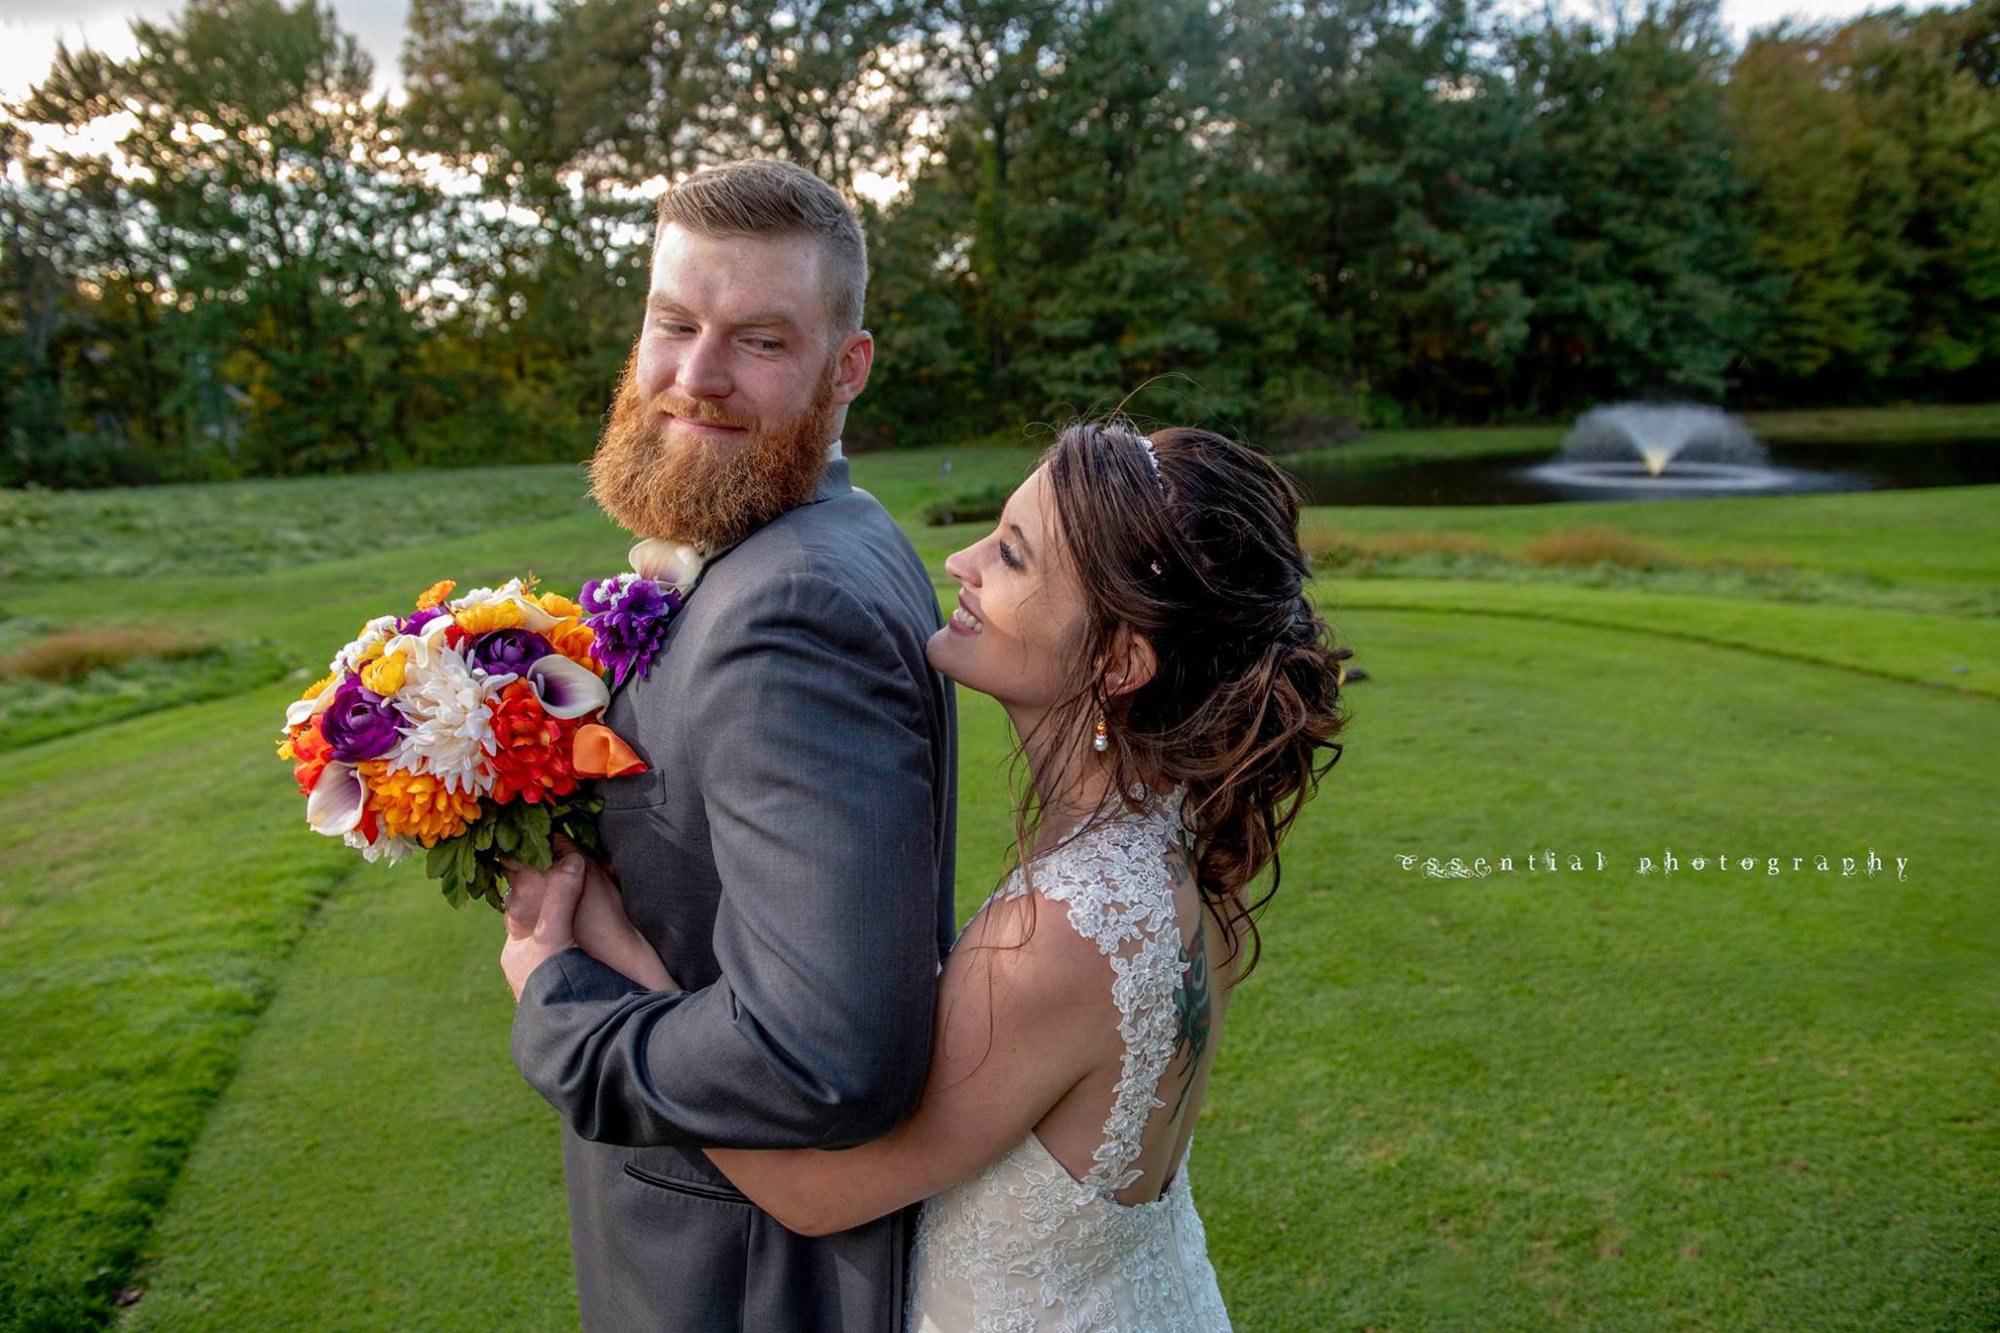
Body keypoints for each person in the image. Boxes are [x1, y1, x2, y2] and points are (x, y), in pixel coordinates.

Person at [511, 417, 1352, 1328]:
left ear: (1120, 661)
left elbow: (814, 1193)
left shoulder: (1060, 934)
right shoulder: (1183, 849)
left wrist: (599, 974)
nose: (961, 562)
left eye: (1013, 556)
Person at [498, 159, 958, 1332]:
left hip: (738, 1274)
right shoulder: (824, 530)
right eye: (673, 324)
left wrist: (559, 1001)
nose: (694, 378)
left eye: (759, 341)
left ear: (846, 367)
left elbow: (823, 1054)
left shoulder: (786, 610)